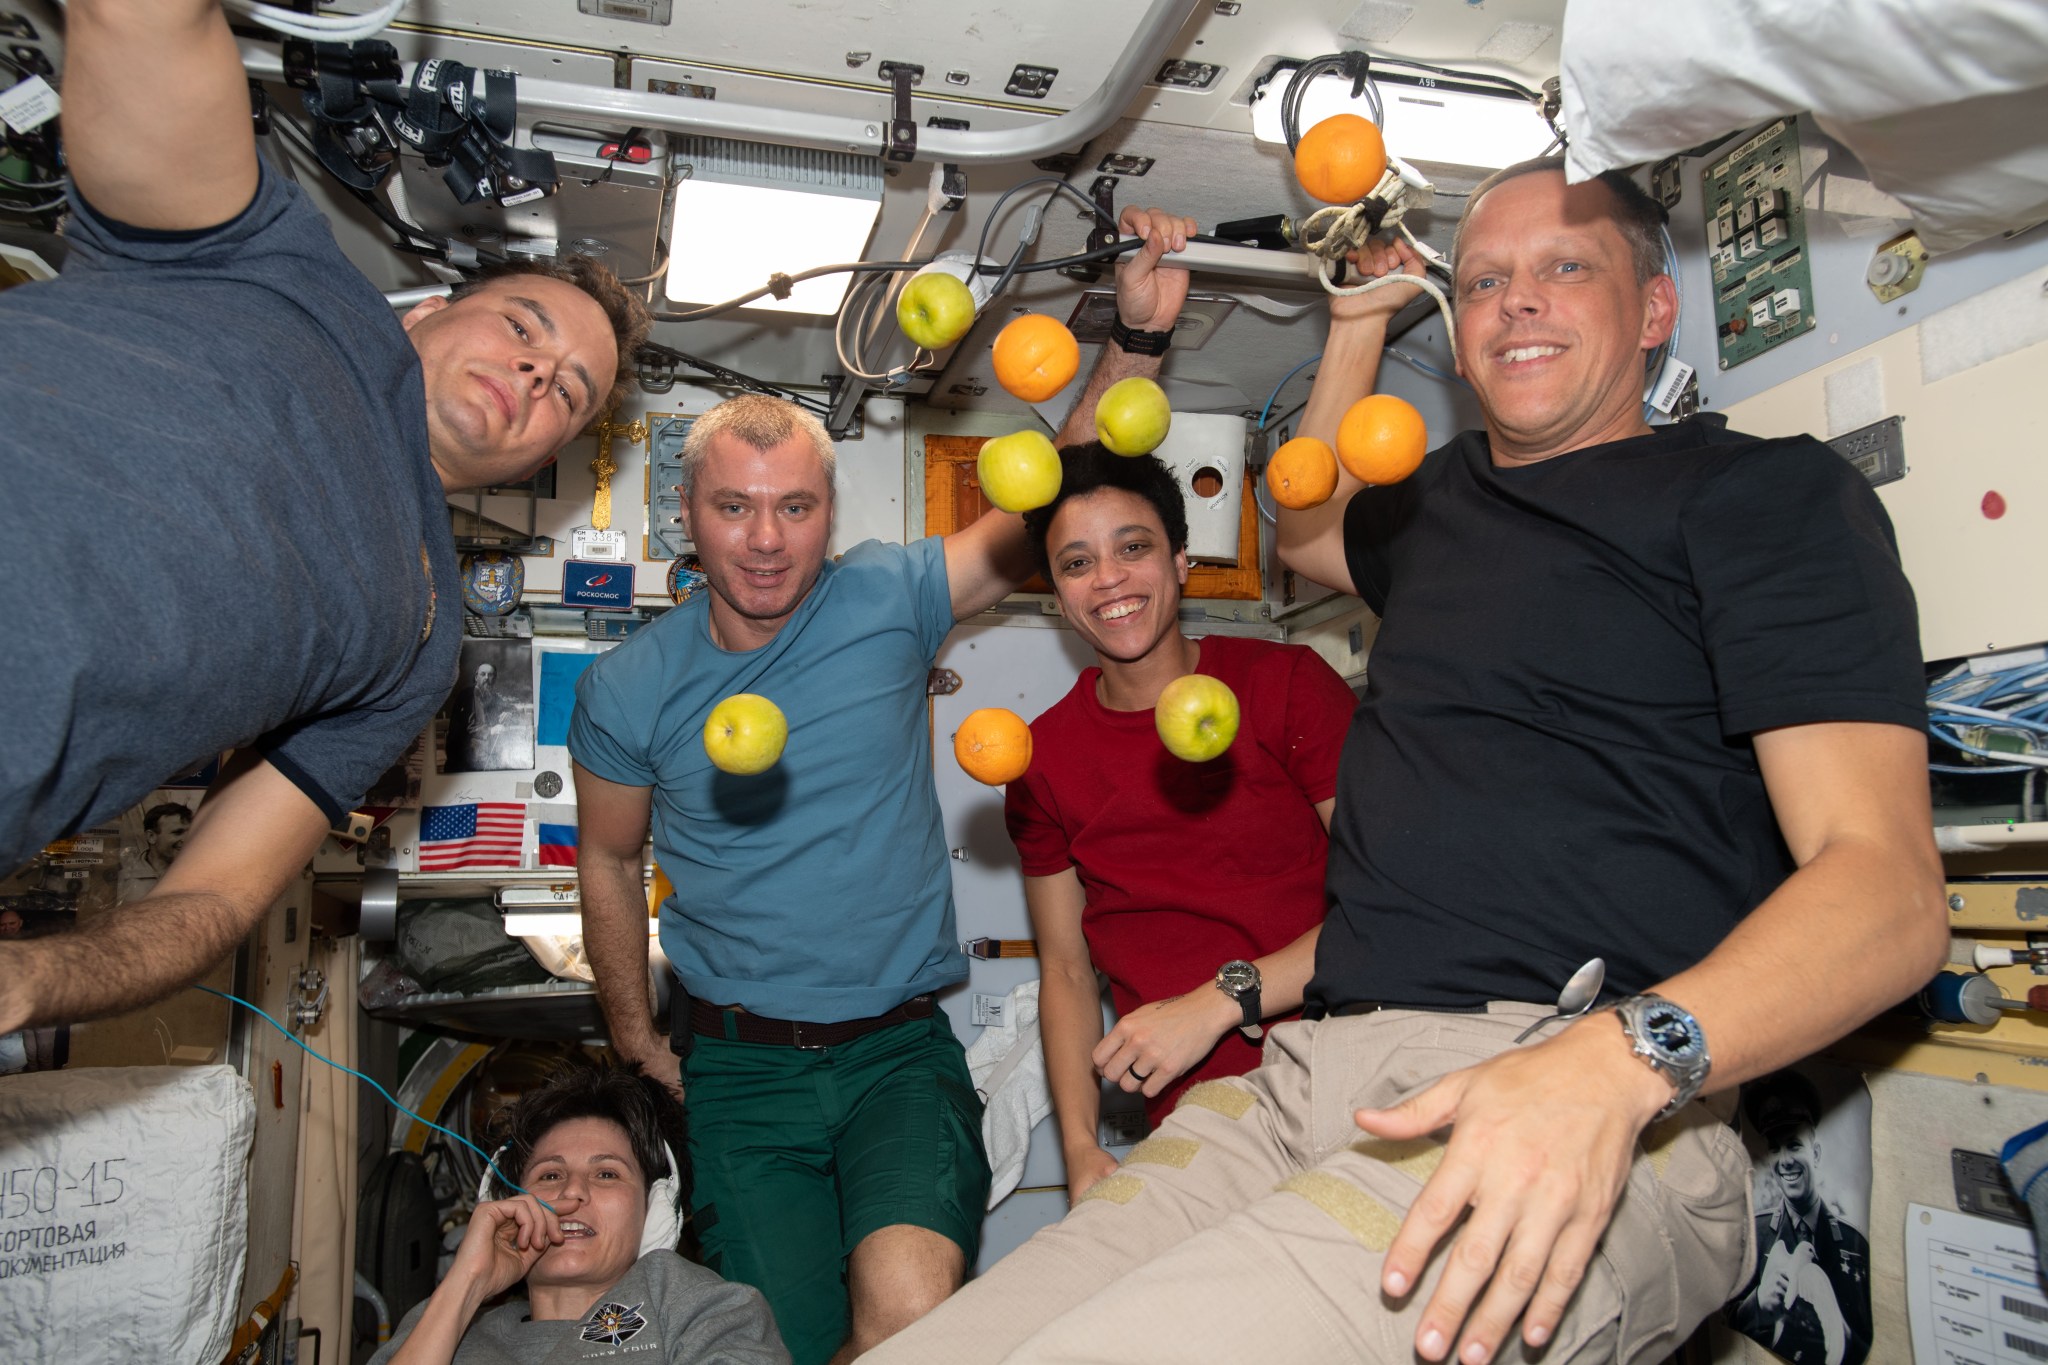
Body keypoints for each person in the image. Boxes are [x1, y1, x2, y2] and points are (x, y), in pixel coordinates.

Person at [867, 159, 1945, 1365]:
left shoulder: (1763, 495)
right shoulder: (1438, 509)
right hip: (1300, 1081)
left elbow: (1890, 895)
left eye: (1562, 268)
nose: (1515, 301)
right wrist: (1352, 324)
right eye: (1482, 279)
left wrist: (1621, 1061)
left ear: (1652, 310)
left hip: (1556, 1080)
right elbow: (1306, 522)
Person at [568, 209, 1200, 1364]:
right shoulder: (626, 688)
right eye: (735, 508)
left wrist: (1136, 346)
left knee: (908, 1319)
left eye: (795, 508)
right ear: (687, 518)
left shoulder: (887, 598)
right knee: (781, 1345)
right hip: (741, 1068)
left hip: (897, 1055)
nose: (766, 541)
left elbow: (1044, 486)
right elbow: (606, 859)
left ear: (830, 516)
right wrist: (633, 1037)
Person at [0, 1, 646, 1036]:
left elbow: (215, 897)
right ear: (432, 305)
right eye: (525, 326)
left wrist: (36, 981)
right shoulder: (280, 266)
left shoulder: (419, 643)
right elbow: (139, 25)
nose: (536, 373)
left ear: (541, 457)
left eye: (567, 395)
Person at [1005, 444, 1356, 1203]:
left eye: (1133, 548)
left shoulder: (1288, 686)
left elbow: (1395, 902)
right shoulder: (1041, 762)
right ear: (1057, 594)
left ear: (1182, 561)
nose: (1109, 579)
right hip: (1195, 1121)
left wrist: (1220, 1000)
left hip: (1345, 1071)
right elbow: (1066, 970)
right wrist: (1078, 1146)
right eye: (1076, 562)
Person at [368, 1061, 788, 1365]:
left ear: (655, 1210)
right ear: (501, 1202)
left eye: (606, 1173)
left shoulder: (706, 1309)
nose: (572, 1191)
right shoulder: (438, 1324)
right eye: (550, 1175)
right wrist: (468, 1282)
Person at [1730, 1071, 1871, 1365]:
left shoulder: (1852, 1241)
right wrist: (1757, 1303)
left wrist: (1834, 1325)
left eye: (1794, 1145)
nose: (1785, 1161)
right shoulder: (1755, 1231)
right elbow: (1727, 1319)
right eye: (1774, 1149)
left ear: (1816, 1154)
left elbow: (1865, 1344)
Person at [118, 801, 194, 902]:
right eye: (177, 832)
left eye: (191, 832)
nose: (187, 838)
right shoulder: (124, 877)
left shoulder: (199, 875)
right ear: (151, 836)